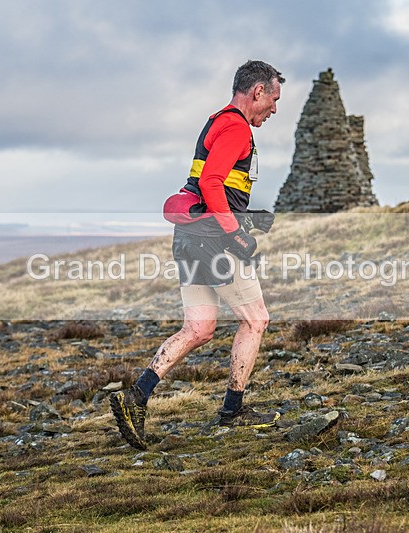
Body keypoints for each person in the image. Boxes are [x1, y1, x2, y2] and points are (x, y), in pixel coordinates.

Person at [110, 60, 285, 450]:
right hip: (214, 241)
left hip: (190, 236)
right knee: (256, 319)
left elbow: (208, 185)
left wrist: (248, 217)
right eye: (273, 99)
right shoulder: (236, 127)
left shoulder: (216, 121)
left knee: (199, 329)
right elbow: (211, 181)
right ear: (257, 91)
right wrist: (235, 234)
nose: (274, 109)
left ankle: (136, 397)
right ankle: (233, 411)